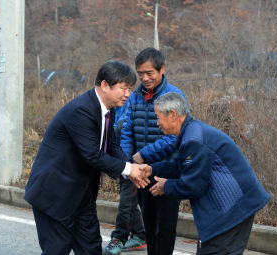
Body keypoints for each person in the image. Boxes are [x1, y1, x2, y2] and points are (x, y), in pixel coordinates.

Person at [24, 60, 151, 255]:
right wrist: (128, 169)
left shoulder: (108, 109)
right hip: (55, 194)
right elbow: (92, 154)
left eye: (130, 88)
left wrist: (130, 169)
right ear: (104, 85)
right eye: (123, 88)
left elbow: (111, 146)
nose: (128, 94)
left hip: (81, 194)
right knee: (57, 249)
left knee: (90, 248)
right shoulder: (82, 110)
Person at [147, 92, 271, 255]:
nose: (157, 123)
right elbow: (182, 168)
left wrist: (166, 187)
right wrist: (152, 169)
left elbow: (193, 185)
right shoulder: (191, 132)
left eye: (158, 117)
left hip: (232, 211)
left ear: (172, 115)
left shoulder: (193, 140)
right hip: (232, 209)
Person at [116, 48, 187, 255]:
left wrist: (144, 155)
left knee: (164, 227)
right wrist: (129, 162)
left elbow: (175, 136)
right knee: (148, 224)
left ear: (161, 69)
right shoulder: (135, 96)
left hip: (167, 170)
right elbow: (127, 129)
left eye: (149, 73)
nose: (144, 78)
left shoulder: (174, 95)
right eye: (140, 73)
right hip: (141, 172)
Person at [103, 100, 147, 255]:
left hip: (133, 166)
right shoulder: (111, 108)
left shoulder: (129, 106)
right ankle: (140, 235)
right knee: (129, 201)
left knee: (126, 203)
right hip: (124, 164)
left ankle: (118, 239)